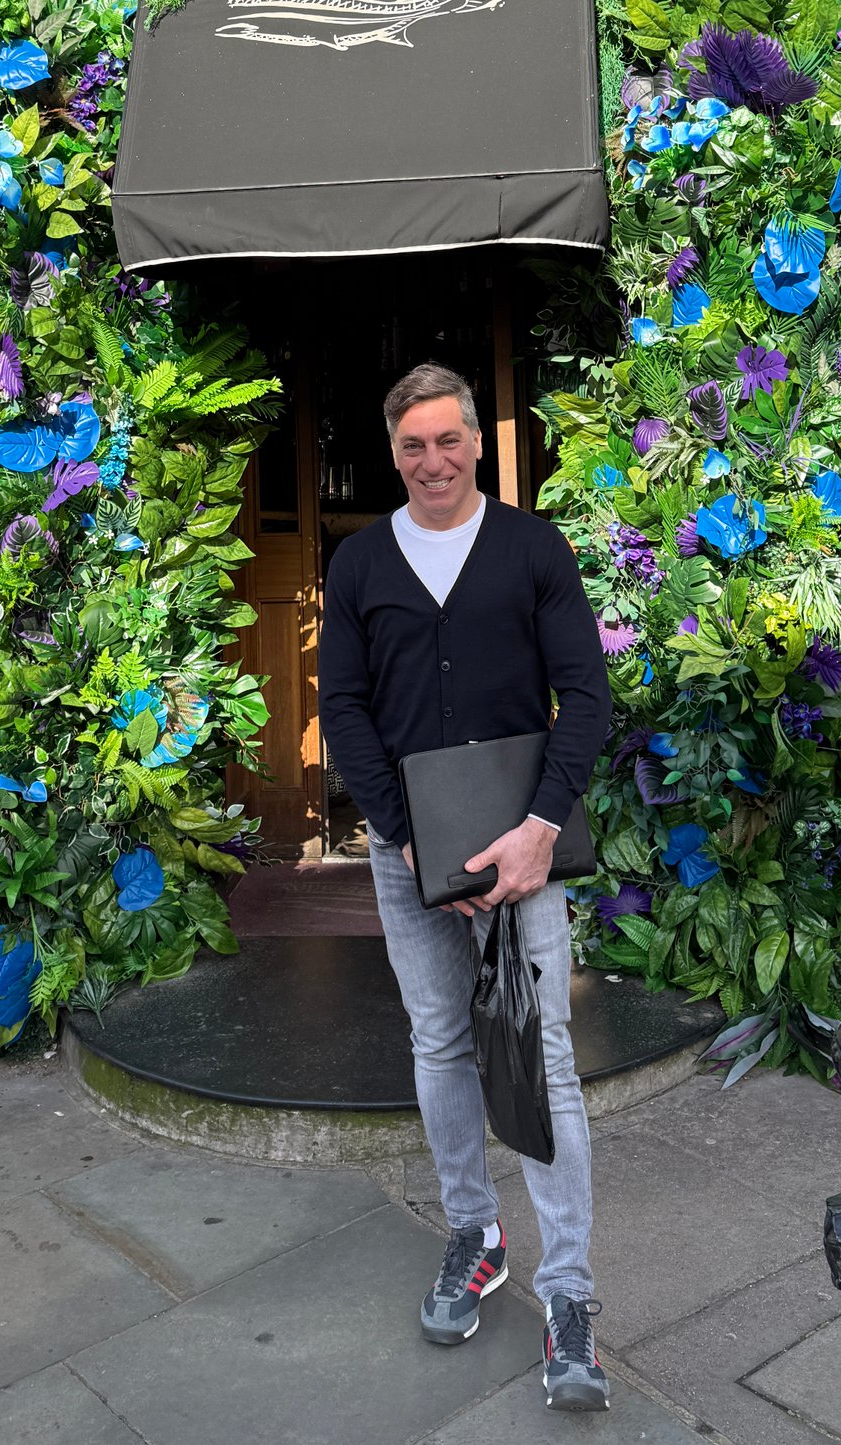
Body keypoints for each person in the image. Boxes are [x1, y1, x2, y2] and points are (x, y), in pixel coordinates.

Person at [319, 361, 613, 1413]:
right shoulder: (358, 565)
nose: (432, 461)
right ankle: (474, 1235)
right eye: (411, 446)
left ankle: (568, 1294)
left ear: (476, 443)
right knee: (440, 1044)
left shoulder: (533, 548)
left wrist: (539, 832)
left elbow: (585, 695)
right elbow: (343, 708)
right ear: (391, 451)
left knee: (545, 1059)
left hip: (522, 850)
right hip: (409, 861)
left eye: (448, 441)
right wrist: (401, 841)